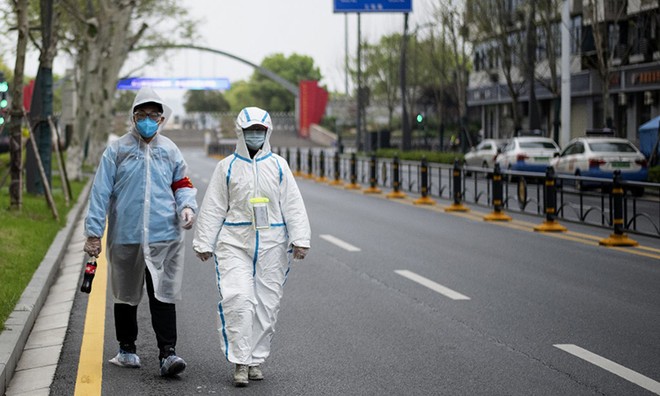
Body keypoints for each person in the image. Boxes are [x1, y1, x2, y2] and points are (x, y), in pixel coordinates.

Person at [83, 86, 198, 377]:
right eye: (142, 114)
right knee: (125, 294)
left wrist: (187, 207)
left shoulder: (170, 149)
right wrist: (94, 233)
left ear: (161, 120)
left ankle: (168, 354)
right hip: (126, 234)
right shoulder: (117, 150)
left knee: (162, 294)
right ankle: (126, 349)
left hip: (163, 236)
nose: (147, 120)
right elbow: (100, 192)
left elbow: (182, 183)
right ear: (133, 117)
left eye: (153, 115)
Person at [192, 106, 311, 387]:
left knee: (267, 304)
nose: (255, 135)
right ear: (240, 133)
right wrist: (204, 242)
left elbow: (292, 205)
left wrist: (300, 239)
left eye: (260, 130)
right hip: (234, 242)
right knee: (238, 299)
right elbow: (214, 207)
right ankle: (240, 362)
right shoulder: (227, 167)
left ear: (267, 132)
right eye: (250, 131)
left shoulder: (279, 166)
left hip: (273, 243)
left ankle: (256, 359)